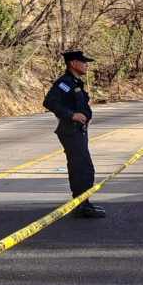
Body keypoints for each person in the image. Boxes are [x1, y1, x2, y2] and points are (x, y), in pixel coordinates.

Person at [43, 50, 105, 218]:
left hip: (78, 131)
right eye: (83, 62)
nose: (86, 65)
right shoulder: (64, 83)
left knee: (84, 168)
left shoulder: (76, 82)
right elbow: (49, 102)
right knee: (81, 168)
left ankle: (84, 203)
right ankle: (81, 205)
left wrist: (85, 116)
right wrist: (72, 115)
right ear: (73, 63)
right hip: (70, 131)